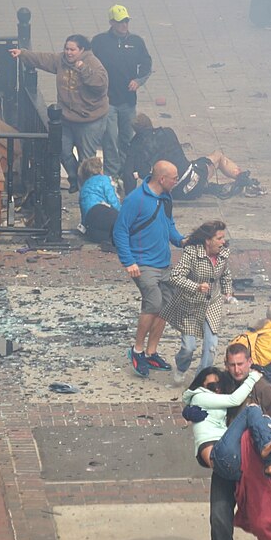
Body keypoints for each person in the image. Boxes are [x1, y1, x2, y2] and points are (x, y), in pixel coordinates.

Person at [207, 343, 271, 540]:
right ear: (226, 363)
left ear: (250, 362)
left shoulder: (264, 389)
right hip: (226, 462)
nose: (236, 369)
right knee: (219, 518)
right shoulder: (223, 385)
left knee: (260, 520)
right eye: (231, 365)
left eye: (241, 364)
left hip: (254, 462)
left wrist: (261, 439)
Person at [112, 161, 185, 378]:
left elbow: (168, 223)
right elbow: (120, 231)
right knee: (153, 303)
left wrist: (181, 241)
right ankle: (137, 350)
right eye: (175, 178)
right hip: (143, 263)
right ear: (162, 179)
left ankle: (151, 351)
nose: (177, 181)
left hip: (163, 263)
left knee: (165, 307)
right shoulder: (136, 199)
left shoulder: (166, 197)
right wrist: (129, 261)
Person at [9, 35, 109, 192]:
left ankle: (88, 191)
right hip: (67, 117)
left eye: (72, 50)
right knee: (61, 149)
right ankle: (74, 178)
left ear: (82, 50)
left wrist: (83, 69)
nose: (68, 53)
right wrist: (23, 54)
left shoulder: (93, 63)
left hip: (90, 119)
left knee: (87, 157)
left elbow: (101, 85)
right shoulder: (61, 60)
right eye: (66, 49)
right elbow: (43, 59)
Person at [163, 220, 234, 380]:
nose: (223, 242)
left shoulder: (223, 254)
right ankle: (181, 367)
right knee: (189, 347)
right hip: (190, 304)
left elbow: (225, 275)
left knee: (211, 346)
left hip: (212, 303)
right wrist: (195, 286)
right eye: (219, 238)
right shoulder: (191, 253)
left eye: (224, 238)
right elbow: (175, 277)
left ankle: (200, 380)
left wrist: (228, 292)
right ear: (208, 240)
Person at [182, 367, 271, 478]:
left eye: (219, 386)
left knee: (266, 420)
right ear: (201, 385)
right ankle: (266, 449)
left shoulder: (214, 399)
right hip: (218, 453)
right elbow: (234, 400)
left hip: (229, 459)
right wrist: (253, 377)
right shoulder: (199, 396)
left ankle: (270, 462)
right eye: (212, 386)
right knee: (252, 409)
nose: (217, 389)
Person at [120, 114, 247, 198]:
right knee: (217, 156)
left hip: (170, 191)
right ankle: (244, 180)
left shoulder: (134, 147)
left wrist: (129, 198)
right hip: (192, 180)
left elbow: (128, 173)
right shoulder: (167, 133)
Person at [92, 4, 152, 179]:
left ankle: (126, 170)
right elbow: (88, 61)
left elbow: (147, 64)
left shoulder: (136, 42)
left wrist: (138, 81)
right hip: (107, 100)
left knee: (126, 137)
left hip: (128, 101)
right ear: (111, 22)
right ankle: (112, 173)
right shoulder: (99, 41)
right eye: (120, 22)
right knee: (110, 138)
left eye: (126, 21)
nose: (124, 25)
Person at [76, 156, 120, 244]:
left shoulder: (84, 186)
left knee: (106, 235)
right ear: (100, 169)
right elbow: (113, 201)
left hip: (90, 221)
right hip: (100, 211)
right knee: (126, 226)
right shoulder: (104, 179)